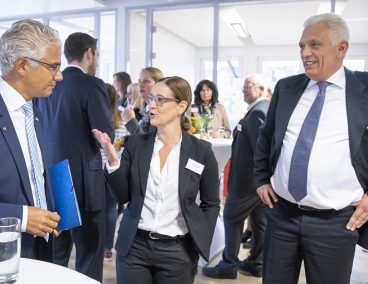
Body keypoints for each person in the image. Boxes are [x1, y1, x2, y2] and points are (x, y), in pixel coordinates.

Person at [254, 13, 368, 284]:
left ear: (342, 48)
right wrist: (260, 179)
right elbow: (266, 138)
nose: (305, 53)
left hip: (337, 222)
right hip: (282, 215)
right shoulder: (286, 87)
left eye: (315, 45)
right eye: (302, 46)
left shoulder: (364, 88)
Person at [92, 76, 220, 284]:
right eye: (151, 98)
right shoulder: (136, 145)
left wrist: (199, 243)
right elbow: (122, 196)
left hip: (179, 252)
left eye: (160, 100)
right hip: (135, 248)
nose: (151, 105)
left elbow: (211, 203)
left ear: (181, 107)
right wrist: (113, 161)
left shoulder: (201, 151)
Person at [0, 19, 62, 261]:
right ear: (22, 65)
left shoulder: (35, 113)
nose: (59, 76)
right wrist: (21, 218)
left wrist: (49, 214)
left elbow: (33, 176)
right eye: (53, 67)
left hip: (38, 252)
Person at [35, 32, 114, 282]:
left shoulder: (47, 85)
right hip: (84, 184)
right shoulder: (92, 84)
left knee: (56, 253)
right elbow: (104, 134)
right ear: (89, 53)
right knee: (89, 253)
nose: (97, 60)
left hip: (52, 178)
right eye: (97, 55)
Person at [202, 74, 269, 279]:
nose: (245, 90)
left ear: (262, 89)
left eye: (249, 86)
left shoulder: (258, 112)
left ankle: (229, 265)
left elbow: (261, 151)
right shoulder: (259, 110)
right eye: (243, 88)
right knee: (260, 222)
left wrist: (257, 181)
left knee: (231, 217)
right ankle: (256, 263)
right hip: (255, 183)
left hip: (247, 182)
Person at [102, 83, 129, 261]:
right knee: (111, 209)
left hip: (97, 168)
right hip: (114, 168)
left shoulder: (97, 120)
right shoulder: (121, 121)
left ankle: (96, 243)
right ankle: (107, 247)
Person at [121, 67, 164, 135]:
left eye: (146, 81)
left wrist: (130, 121)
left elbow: (148, 143)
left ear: (158, 84)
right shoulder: (146, 108)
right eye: (139, 81)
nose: (140, 85)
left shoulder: (160, 110)